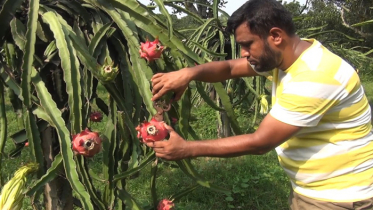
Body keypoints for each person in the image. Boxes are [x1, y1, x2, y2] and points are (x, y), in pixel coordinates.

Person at [147, 0, 373, 209]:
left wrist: (187, 149)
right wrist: (188, 74)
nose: (244, 54)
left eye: (247, 45)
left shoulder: (316, 76)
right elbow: (230, 68)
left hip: (341, 197)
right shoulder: (286, 58)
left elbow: (260, 142)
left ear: (275, 35)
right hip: (317, 189)